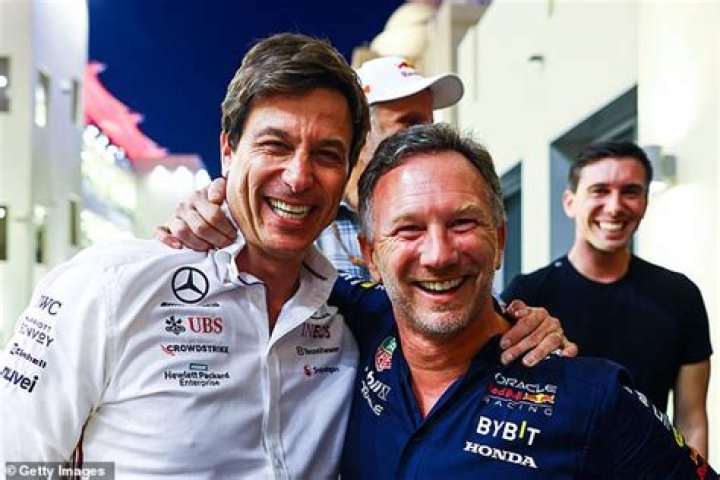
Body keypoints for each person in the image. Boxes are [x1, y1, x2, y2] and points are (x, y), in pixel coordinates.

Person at [0, 34, 565, 477]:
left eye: (326, 154)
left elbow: (444, 321)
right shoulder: (107, 286)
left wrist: (517, 324)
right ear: (229, 149)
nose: (298, 177)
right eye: (275, 145)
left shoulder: (353, 316)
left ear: (347, 171)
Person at [335, 123, 716, 478]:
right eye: (409, 229)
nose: (439, 255)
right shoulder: (363, 317)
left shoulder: (595, 400)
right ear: (371, 256)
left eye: (463, 223)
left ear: (500, 240)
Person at [501, 141, 713, 457]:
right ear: (570, 202)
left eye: (630, 192)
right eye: (599, 191)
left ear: (645, 203)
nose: (614, 206)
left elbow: (692, 420)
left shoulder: (679, 296)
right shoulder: (529, 294)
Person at [167, 56, 464, 280]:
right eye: (410, 124)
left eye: (429, 123)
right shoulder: (302, 215)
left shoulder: (442, 214)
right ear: (360, 136)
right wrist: (207, 217)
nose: (426, 138)